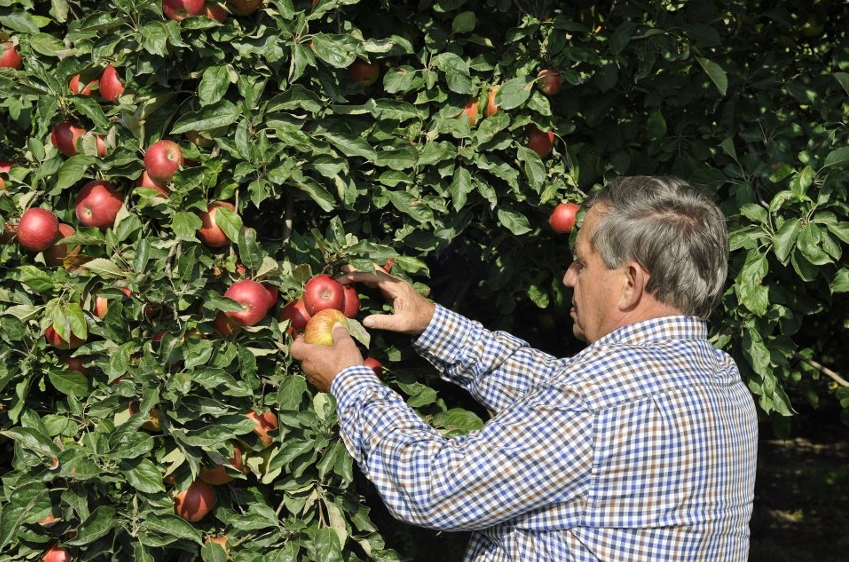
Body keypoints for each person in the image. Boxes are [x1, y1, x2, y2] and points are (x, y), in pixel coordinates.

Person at [291, 175, 758, 561]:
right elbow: (549, 387)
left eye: (581, 263)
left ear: (630, 283)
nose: (569, 278)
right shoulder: (723, 383)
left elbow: (431, 487)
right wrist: (430, 321)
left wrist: (348, 382)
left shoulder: (595, 401)